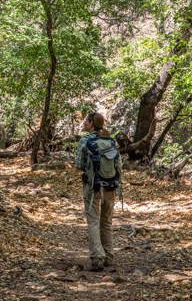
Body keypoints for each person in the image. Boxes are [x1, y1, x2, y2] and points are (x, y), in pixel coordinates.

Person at [74, 112, 122, 271]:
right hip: (111, 186)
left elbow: (79, 165)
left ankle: (97, 259)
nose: (84, 124)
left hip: (93, 186)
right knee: (107, 222)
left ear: (91, 123)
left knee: (93, 221)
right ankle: (108, 256)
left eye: (86, 121)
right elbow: (119, 166)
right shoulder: (111, 142)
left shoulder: (85, 141)